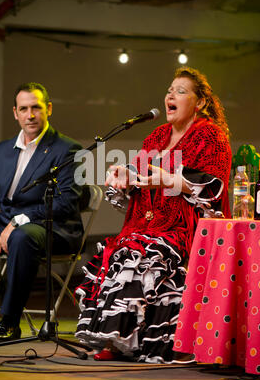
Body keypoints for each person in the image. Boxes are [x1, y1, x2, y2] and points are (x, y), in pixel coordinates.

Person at [75, 66, 232, 363]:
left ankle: (134, 341)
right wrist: (123, 175)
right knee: (124, 248)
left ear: (199, 103)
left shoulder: (211, 136)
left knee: (143, 253)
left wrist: (169, 179)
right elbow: (140, 176)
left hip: (184, 226)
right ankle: (117, 338)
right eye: (169, 90)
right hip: (146, 222)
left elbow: (213, 187)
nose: (171, 95)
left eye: (181, 91)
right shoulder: (157, 136)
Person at [0, 82, 86, 341]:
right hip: (6, 224)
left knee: (22, 237)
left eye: (36, 108)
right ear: (15, 113)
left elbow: (66, 203)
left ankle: (9, 321)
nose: (30, 115)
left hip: (51, 226)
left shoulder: (67, 149)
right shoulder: (3, 149)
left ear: (48, 109)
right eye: (24, 109)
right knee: (16, 234)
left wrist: (18, 221)